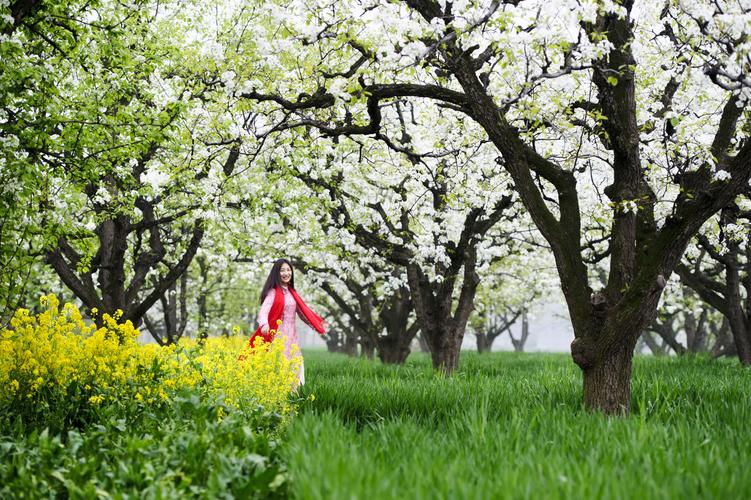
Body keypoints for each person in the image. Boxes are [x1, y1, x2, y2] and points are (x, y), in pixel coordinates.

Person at [248, 258, 326, 385]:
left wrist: (316, 325)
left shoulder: (292, 292)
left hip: (292, 337)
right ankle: (278, 397)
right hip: (279, 337)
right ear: (276, 273)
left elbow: (302, 313)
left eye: (288, 270)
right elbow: (264, 311)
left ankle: (293, 397)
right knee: (280, 365)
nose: (286, 273)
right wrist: (264, 324)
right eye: (282, 270)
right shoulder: (273, 293)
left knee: (295, 364)